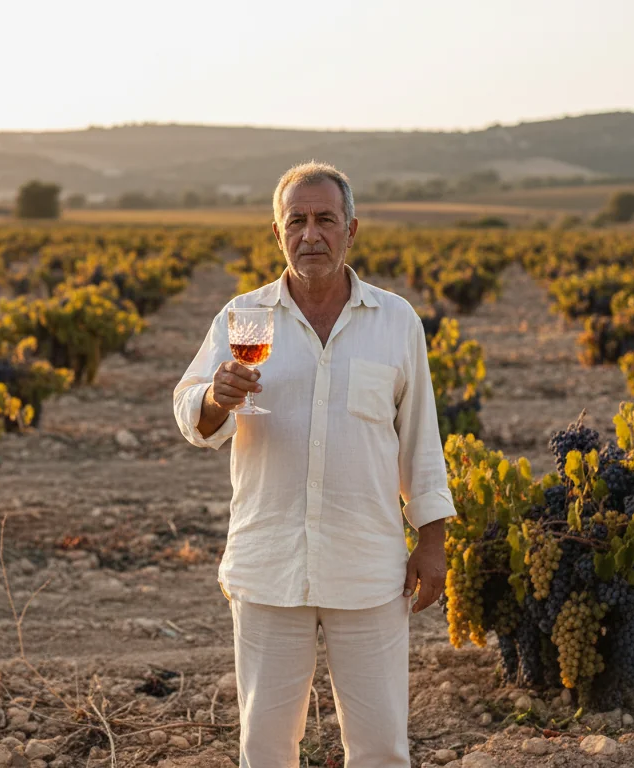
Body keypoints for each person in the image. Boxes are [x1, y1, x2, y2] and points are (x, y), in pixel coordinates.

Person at [172, 161, 457, 766]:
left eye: (325, 219)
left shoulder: (396, 321)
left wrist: (431, 542)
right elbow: (190, 411)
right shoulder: (242, 318)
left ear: (351, 229)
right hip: (269, 565)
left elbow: (420, 439)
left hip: (368, 568)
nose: (311, 235)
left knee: (381, 746)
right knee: (268, 747)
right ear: (277, 233)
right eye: (296, 221)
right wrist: (214, 398)